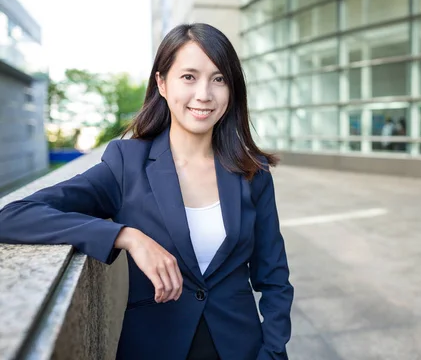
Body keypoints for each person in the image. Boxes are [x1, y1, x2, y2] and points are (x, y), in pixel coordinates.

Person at [0, 23, 294, 360]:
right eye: (189, 77)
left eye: (219, 79)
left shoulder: (251, 171)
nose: (204, 94)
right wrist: (127, 236)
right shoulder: (127, 163)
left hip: (241, 349)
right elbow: (13, 215)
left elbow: (274, 277)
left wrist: (272, 352)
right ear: (162, 83)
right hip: (153, 347)